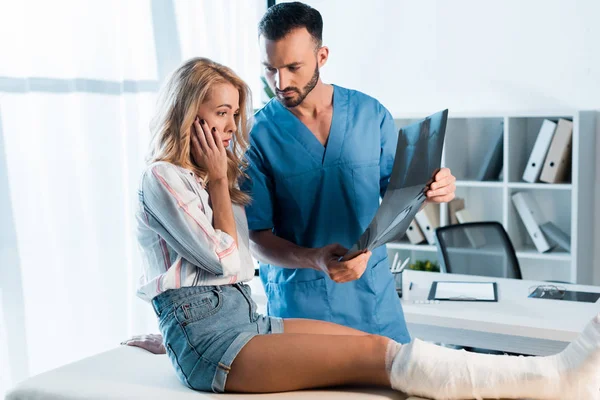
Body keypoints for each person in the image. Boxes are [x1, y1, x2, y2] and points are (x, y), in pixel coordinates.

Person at [129, 56, 600, 399]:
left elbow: (230, 266)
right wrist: (180, 333)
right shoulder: (165, 176)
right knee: (376, 360)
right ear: (188, 114)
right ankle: (558, 380)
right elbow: (230, 260)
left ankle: (551, 373)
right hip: (220, 340)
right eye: (220, 113)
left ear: (320, 56)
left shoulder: (204, 178)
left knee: (381, 346)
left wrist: (434, 186)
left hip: (244, 322)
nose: (232, 126)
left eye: (235, 112)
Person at [242, 1, 455, 343]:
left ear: (322, 56)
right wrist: (314, 259)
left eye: (293, 67)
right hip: (300, 308)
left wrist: (434, 188)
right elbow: (257, 238)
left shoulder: (370, 115)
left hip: (373, 301)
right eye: (270, 68)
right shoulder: (258, 137)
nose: (280, 82)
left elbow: (399, 196)